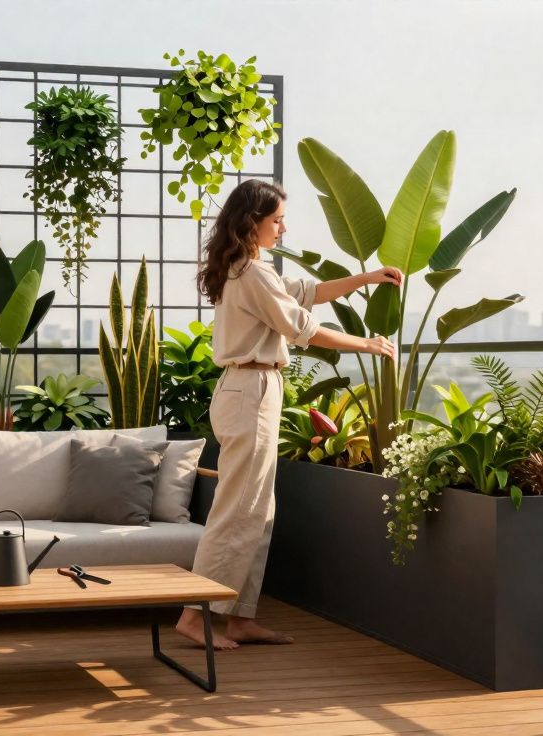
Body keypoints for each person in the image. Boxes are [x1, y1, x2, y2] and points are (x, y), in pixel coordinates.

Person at [176, 179, 400, 650]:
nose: (283, 227)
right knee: (238, 509)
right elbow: (303, 326)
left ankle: (240, 617)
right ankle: (195, 617)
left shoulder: (251, 269)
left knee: (259, 510)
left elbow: (308, 292)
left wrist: (366, 278)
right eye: (276, 219)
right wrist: (368, 343)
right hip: (251, 390)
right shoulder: (252, 274)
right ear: (251, 220)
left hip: (253, 389)